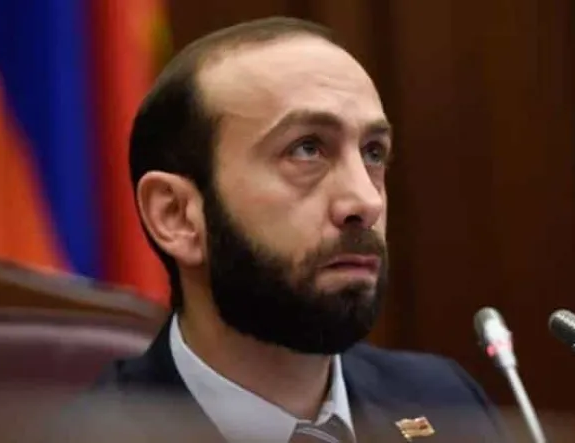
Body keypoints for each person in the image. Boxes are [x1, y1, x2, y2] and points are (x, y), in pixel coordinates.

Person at [44, 17, 511, 443]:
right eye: (307, 149)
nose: (366, 202)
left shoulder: (446, 400)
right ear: (177, 216)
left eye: (373, 152)